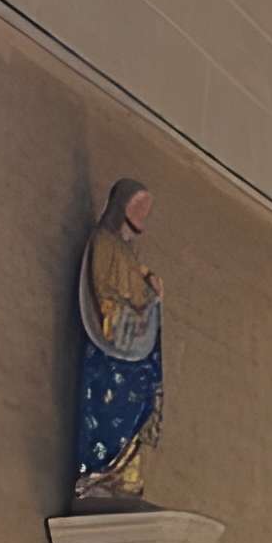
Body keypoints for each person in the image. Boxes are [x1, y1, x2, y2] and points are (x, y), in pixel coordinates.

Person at [74, 179, 164, 509]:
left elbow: (139, 291)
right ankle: (100, 477)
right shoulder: (103, 244)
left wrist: (151, 289)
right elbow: (103, 296)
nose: (142, 213)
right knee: (111, 408)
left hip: (135, 352)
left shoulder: (129, 255)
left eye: (146, 209)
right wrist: (126, 314)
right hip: (112, 352)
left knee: (140, 408)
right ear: (122, 206)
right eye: (137, 205)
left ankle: (127, 481)